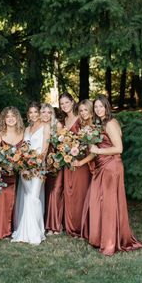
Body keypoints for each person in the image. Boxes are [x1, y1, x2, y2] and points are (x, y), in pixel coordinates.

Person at [81, 94, 142, 256]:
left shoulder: (110, 123)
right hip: (102, 165)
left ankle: (110, 242)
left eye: (101, 106)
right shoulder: (99, 123)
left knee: (109, 203)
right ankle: (100, 237)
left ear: (106, 107)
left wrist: (98, 150)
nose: (98, 109)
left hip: (111, 165)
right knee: (98, 201)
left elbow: (119, 148)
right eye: (95, 107)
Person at [12, 102, 50, 245]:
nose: (33, 114)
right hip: (25, 168)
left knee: (34, 196)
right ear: (28, 114)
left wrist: (37, 162)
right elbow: (23, 149)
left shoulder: (45, 127)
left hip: (39, 167)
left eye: (36, 112)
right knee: (28, 196)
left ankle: (35, 232)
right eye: (31, 112)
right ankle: (28, 230)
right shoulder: (26, 129)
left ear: (40, 113)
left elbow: (45, 148)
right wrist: (23, 164)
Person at [0, 106, 24, 239]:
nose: (10, 119)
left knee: (11, 200)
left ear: (17, 118)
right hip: (0, 175)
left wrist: (17, 164)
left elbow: (25, 154)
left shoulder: (22, 133)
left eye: (13, 116)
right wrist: (4, 165)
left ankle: (10, 229)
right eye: (7, 116)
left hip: (15, 175)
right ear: (4, 119)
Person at [59, 92, 91, 237]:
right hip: (68, 162)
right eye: (62, 103)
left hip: (81, 162)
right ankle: (70, 226)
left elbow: (88, 139)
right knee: (69, 193)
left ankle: (81, 226)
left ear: (72, 102)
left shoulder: (81, 117)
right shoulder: (63, 120)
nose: (64, 105)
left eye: (67, 102)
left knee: (80, 193)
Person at [42, 103, 64, 236]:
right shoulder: (38, 126)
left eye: (48, 112)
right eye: (43, 112)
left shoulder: (58, 125)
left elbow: (63, 145)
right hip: (44, 164)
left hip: (56, 164)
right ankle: (47, 224)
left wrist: (57, 159)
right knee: (46, 192)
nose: (46, 115)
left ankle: (55, 225)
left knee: (55, 192)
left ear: (52, 114)